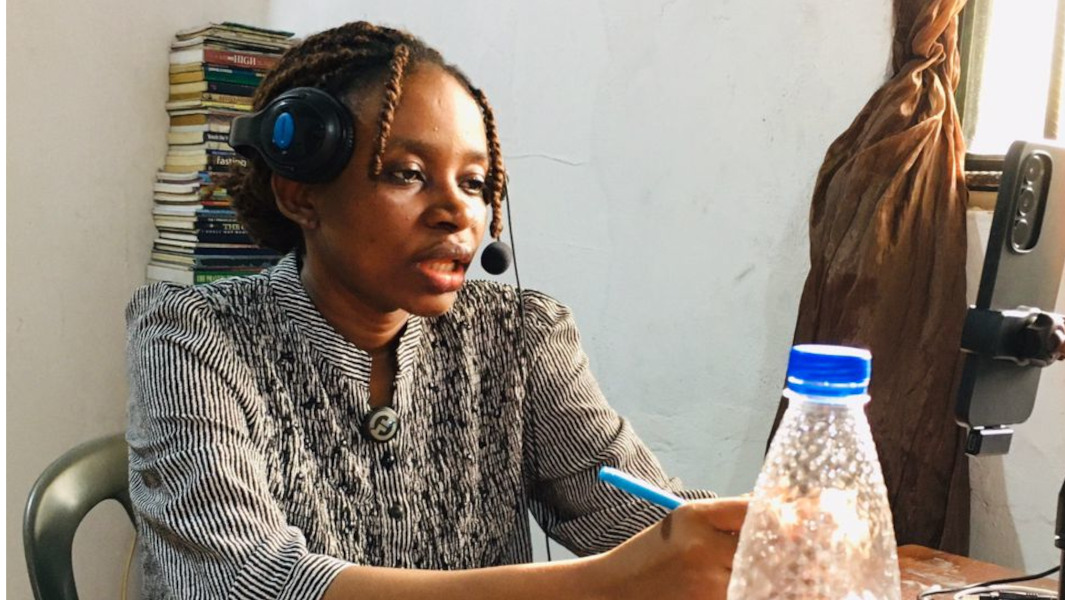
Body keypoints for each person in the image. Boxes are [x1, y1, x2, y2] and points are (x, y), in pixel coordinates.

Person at [126, 20, 747, 600]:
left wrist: (749, 537)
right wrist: (607, 583)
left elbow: (638, 515)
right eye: (408, 173)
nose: (458, 213)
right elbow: (249, 580)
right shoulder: (192, 334)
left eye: (475, 183)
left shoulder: (519, 337)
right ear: (300, 194)